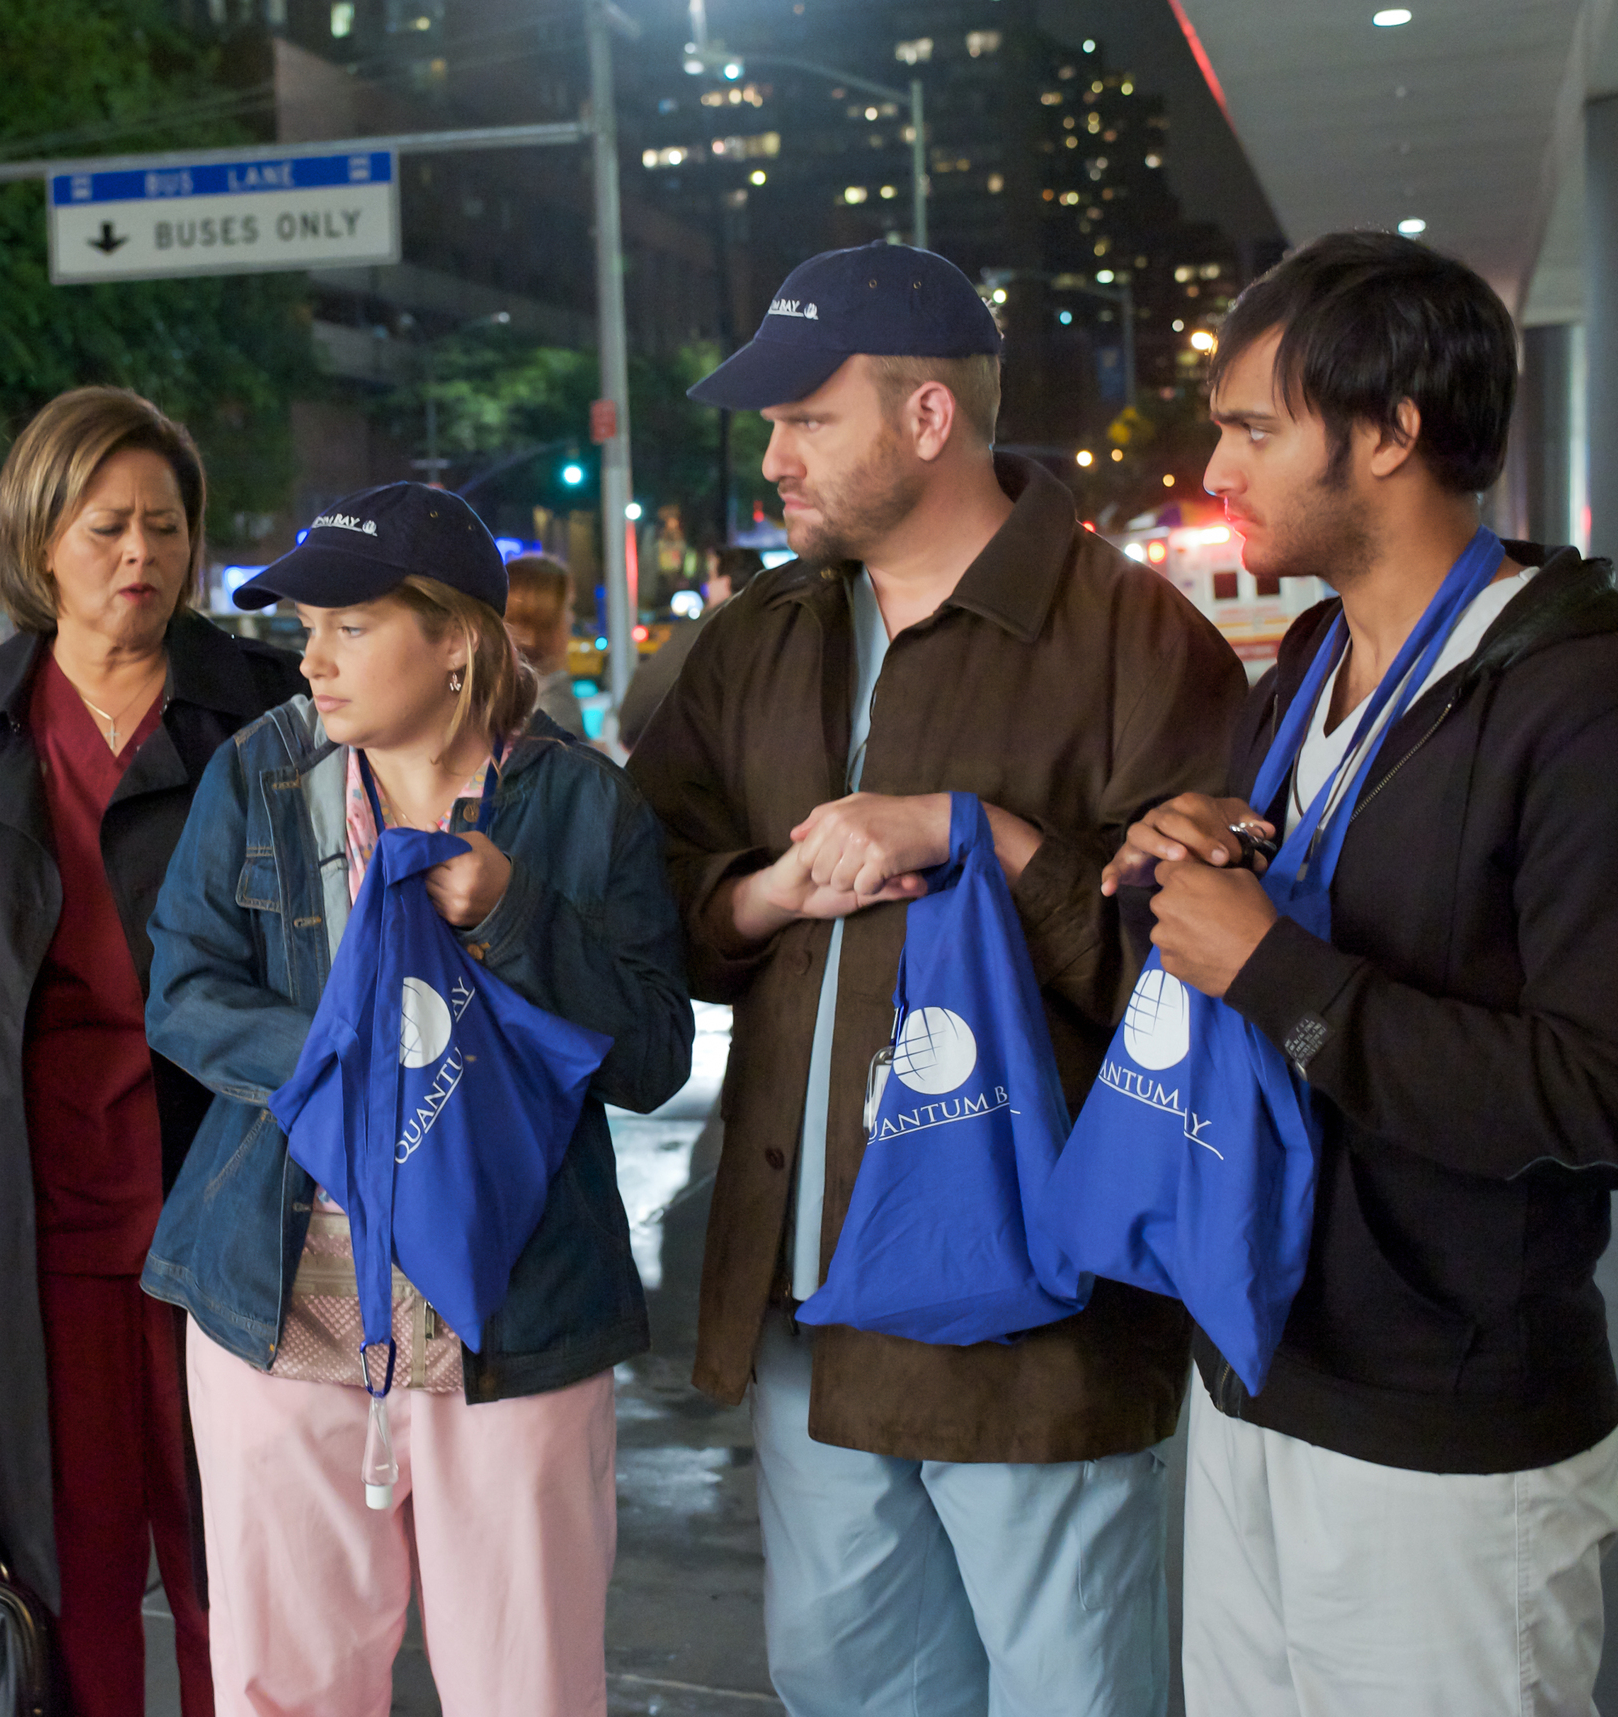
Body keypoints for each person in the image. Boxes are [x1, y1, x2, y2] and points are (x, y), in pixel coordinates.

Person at [625, 243, 1246, 1717]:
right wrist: (761, 892)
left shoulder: (1131, 639)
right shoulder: (762, 637)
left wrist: (986, 838)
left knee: (1070, 1692)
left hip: (1041, 1319)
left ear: (925, 420)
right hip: (812, 1294)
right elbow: (641, 891)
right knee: (844, 1686)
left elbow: (1204, 978)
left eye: (806, 419)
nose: (770, 458)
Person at [1109, 231, 1618, 1715]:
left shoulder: (1595, 702)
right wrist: (1168, 880)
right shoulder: (1308, 663)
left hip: (1449, 1422)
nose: (1217, 461)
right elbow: (1233, 961)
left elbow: (1613, 1094)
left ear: (1390, 432)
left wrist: (1277, 968)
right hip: (1257, 1359)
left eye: (1254, 425)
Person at [139, 482, 693, 1716]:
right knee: (285, 1685)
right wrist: (355, 1057)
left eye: (350, 625)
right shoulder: (263, 776)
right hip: (275, 1301)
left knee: (526, 1684)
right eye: (306, 625)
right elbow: (180, 987)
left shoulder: (577, 802)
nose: (311, 657)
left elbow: (653, 1051)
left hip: (513, 1311)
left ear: (455, 640)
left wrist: (513, 915)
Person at [0, 386, 308, 1717]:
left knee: (249, 1568)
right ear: (39, 541)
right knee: (67, 1582)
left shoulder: (269, 716)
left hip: (231, 1215)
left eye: (165, 526)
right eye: (107, 526)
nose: (140, 556)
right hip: (32, 1227)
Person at [617, 544, 761, 742]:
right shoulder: (763, 627)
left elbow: (644, 697)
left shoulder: (706, 629)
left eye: (711, 578)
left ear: (725, 582)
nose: (707, 587)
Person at [503, 550, 588, 738]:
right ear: (541, 620)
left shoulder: (496, 697)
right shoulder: (554, 707)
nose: (572, 619)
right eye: (568, 607)